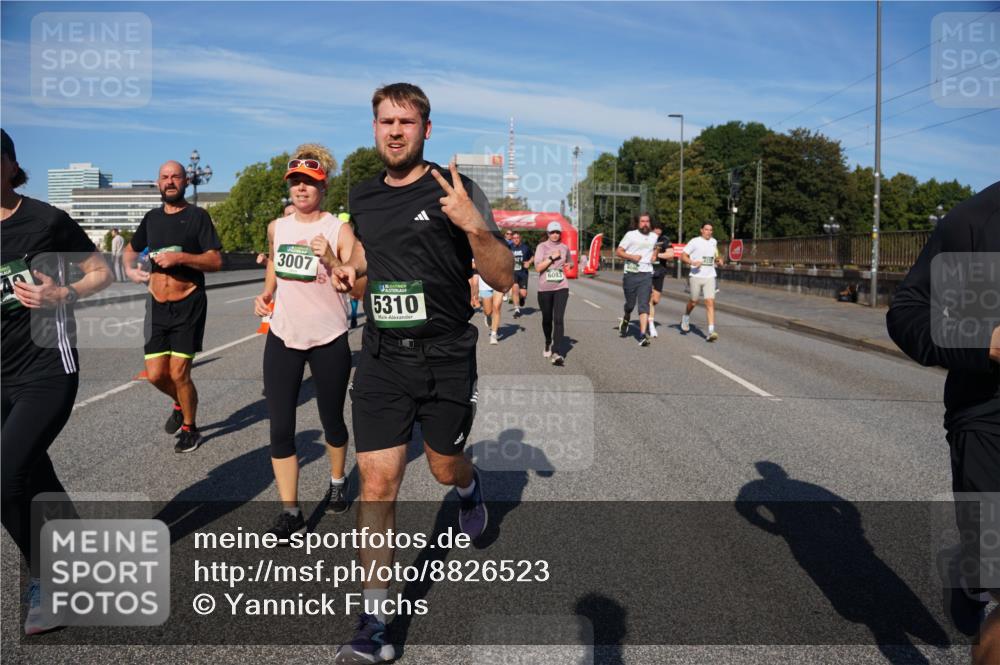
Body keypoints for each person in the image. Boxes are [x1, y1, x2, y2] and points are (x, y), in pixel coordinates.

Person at [330, 82, 512, 664]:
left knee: (441, 466)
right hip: (383, 357)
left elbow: (504, 277)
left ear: (426, 130)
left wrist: (474, 226)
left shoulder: (455, 189)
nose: (394, 132)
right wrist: (349, 272)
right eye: (385, 121)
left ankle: (468, 487)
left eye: (405, 122)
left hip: (446, 357)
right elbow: (369, 259)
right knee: (377, 484)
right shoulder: (362, 194)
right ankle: (375, 621)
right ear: (374, 128)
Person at [1, 128, 113, 634]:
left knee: (5, 478)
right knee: (31, 473)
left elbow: (101, 271)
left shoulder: (46, 220)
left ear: (10, 164)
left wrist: (63, 294)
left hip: (46, 367)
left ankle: (49, 581)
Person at [887, 181, 1000, 665]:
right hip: (989, 418)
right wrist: (985, 341)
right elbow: (908, 313)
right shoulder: (977, 220)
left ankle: (972, 571)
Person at [253, 144, 358, 539]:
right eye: (295, 181)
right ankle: (291, 512)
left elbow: (354, 283)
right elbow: (273, 268)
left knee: (332, 419)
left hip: (328, 337)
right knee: (280, 427)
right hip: (283, 335)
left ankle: (337, 481)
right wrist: (266, 295)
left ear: (322, 187)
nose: (300, 188)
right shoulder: (277, 227)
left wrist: (330, 258)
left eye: (309, 182)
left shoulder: (338, 229)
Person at [122, 160, 223, 453]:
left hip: (188, 303)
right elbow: (129, 251)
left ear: (185, 182)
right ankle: (180, 402)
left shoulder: (197, 216)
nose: (170, 182)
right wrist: (130, 271)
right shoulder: (151, 219)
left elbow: (216, 260)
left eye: (175, 177)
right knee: (155, 375)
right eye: (165, 177)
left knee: (179, 374)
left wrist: (180, 258)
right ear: (158, 183)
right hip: (156, 305)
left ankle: (190, 428)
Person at [615, 212, 658, 346]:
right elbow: (619, 251)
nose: (645, 224)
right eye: (642, 221)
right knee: (630, 305)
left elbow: (655, 248)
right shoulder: (630, 235)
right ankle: (626, 317)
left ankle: (642, 335)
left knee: (644, 305)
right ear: (638, 223)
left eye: (647, 221)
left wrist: (654, 255)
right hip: (631, 274)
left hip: (646, 274)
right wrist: (632, 257)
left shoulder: (654, 236)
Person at [534, 222, 571, 365]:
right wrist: (552, 258)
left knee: (559, 319)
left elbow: (570, 261)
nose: (555, 235)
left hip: (561, 287)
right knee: (547, 319)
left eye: (557, 232)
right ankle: (548, 341)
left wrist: (570, 264)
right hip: (544, 289)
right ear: (548, 233)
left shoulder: (564, 247)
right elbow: (538, 268)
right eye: (552, 232)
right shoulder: (541, 247)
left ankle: (556, 352)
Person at [680, 222, 722, 342]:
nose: (709, 232)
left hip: (710, 276)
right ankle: (686, 316)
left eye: (711, 230)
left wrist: (719, 260)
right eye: (706, 229)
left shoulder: (714, 242)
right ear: (701, 230)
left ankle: (711, 331)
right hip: (696, 276)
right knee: (694, 301)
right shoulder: (694, 241)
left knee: (710, 302)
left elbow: (716, 255)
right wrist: (692, 262)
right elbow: (683, 256)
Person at [473, 258, 503, 345]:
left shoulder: (501, 251)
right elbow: (472, 264)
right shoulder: (481, 252)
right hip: (485, 285)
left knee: (497, 307)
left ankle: (493, 335)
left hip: (499, 283)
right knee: (488, 311)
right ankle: (488, 316)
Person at [649, 223, 672, 338]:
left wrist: (657, 254)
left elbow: (671, 254)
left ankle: (646, 310)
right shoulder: (645, 238)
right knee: (649, 298)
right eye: (656, 228)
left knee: (656, 300)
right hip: (646, 271)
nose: (658, 231)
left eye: (660, 229)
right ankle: (651, 324)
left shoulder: (664, 240)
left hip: (659, 272)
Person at [509, 230, 533, 317]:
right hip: (513, 273)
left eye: (517, 238)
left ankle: (521, 298)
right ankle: (517, 310)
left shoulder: (525, 248)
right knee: (515, 288)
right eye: (514, 238)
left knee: (523, 293)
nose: (516, 239)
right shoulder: (509, 247)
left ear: (520, 238)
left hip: (523, 273)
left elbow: (532, 257)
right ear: (512, 239)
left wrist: (529, 262)